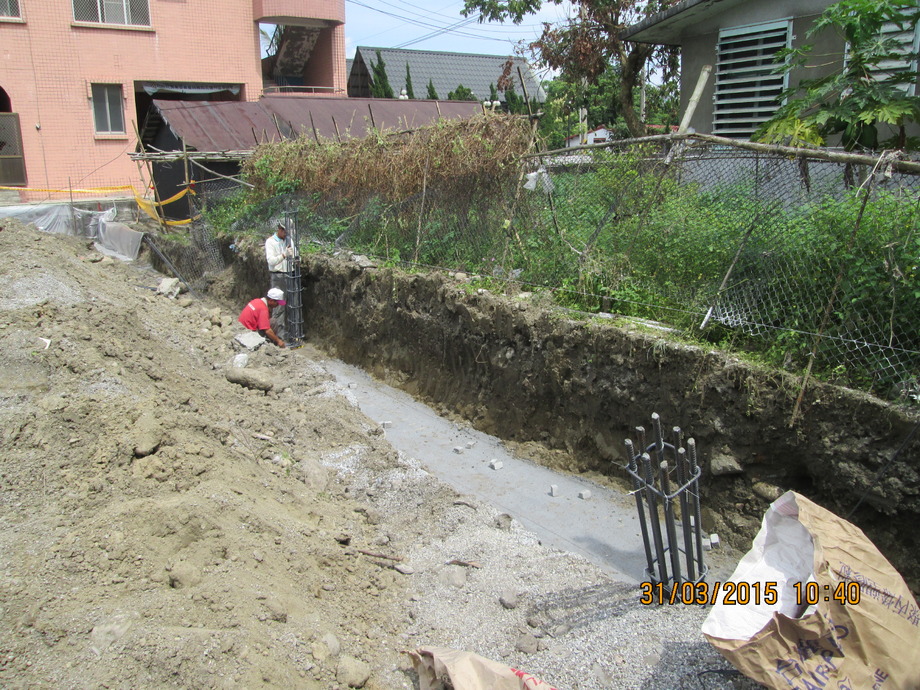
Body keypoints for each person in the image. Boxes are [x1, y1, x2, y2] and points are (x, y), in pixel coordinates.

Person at [265, 221, 294, 340]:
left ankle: (290, 332)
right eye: (285, 231)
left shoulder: (289, 240)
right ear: (280, 229)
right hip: (278, 277)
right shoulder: (271, 242)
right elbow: (271, 261)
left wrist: (296, 258)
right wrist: (283, 255)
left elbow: (296, 254)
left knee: (291, 304)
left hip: (289, 274)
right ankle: (278, 334)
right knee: (279, 305)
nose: (286, 234)